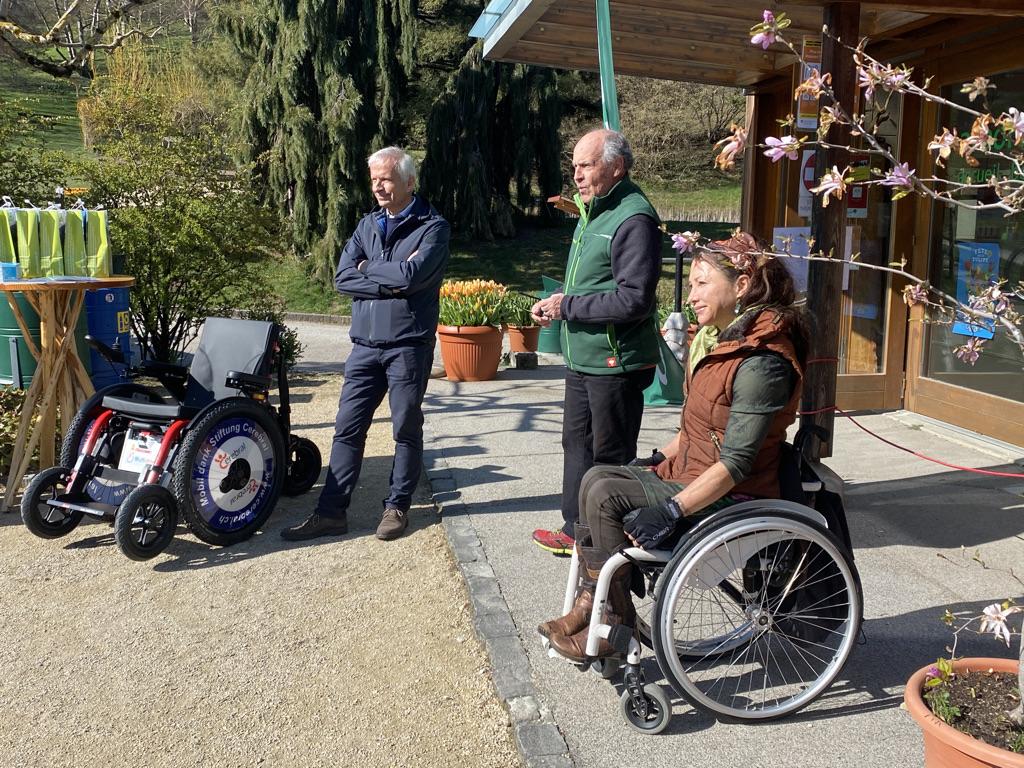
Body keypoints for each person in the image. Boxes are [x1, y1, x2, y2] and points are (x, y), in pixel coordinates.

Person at [537, 231, 810, 661]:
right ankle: (598, 606)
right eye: (691, 285)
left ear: (741, 285)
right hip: (692, 470)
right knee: (596, 477)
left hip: (734, 493)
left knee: (604, 492)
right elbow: (695, 429)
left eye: (702, 283)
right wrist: (655, 458)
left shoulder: (762, 361)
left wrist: (671, 510)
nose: (692, 296)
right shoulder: (724, 343)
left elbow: (737, 462)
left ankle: (614, 617)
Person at [282, 147, 449, 542]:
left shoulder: (433, 227)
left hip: (408, 345)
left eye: (386, 179)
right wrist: (388, 278)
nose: (377, 186)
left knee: (405, 427)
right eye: (373, 179)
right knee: (346, 428)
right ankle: (330, 513)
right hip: (364, 347)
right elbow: (342, 278)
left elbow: (413, 278)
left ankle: (396, 507)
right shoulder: (367, 225)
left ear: (409, 182)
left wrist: (369, 269)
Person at [530, 129, 662, 557]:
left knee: (609, 454)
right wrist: (556, 304)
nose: (577, 175)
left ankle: (607, 544)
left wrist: (568, 306)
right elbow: (588, 284)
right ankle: (576, 529)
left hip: (615, 362)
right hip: (582, 359)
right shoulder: (594, 211)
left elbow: (633, 301)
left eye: (585, 165)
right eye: (574, 166)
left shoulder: (633, 217)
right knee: (576, 444)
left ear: (616, 166)